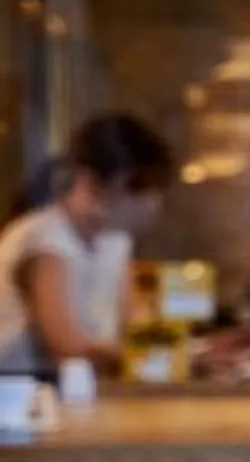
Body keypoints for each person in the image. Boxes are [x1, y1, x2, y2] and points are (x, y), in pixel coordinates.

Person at [0, 113, 173, 373]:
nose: (150, 203)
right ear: (93, 184)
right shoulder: (45, 238)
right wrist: (167, 357)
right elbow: (64, 346)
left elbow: (135, 327)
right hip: (21, 393)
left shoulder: (116, 240)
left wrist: (191, 351)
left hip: (83, 390)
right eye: (138, 188)